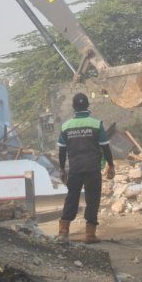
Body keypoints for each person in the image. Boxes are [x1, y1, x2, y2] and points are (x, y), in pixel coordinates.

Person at [57, 93, 115, 243]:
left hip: (75, 169)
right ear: (88, 105)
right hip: (92, 169)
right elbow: (105, 147)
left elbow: (62, 150)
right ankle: (90, 235)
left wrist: (62, 169)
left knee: (71, 199)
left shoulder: (66, 126)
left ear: (73, 107)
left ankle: (63, 232)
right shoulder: (96, 124)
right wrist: (111, 164)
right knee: (92, 200)